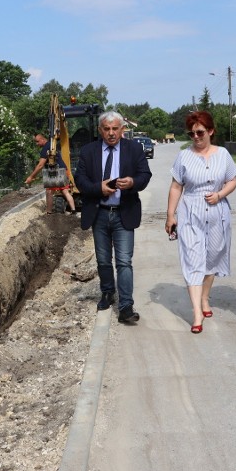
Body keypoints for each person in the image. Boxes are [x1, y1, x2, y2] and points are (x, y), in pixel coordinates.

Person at [74, 111, 152, 323]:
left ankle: (126, 305)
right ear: (100, 130)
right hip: (98, 213)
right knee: (102, 259)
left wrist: (133, 183)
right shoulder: (89, 151)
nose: (111, 133)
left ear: (122, 129)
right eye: (106, 129)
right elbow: (79, 179)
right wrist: (98, 188)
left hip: (124, 212)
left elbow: (145, 175)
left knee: (124, 261)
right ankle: (108, 292)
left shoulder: (134, 149)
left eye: (115, 128)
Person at [165, 111, 236, 334]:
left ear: (211, 132)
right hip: (191, 213)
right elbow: (176, 186)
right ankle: (197, 312)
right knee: (193, 260)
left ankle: (205, 297)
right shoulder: (184, 156)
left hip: (218, 213)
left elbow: (232, 180)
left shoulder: (223, 154)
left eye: (200, 132)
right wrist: (170, 214)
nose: (195, 136)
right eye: (192, 133)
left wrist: (220, 194)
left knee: (213, 256)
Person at [25, 133, 77, 214]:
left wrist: (31, 177)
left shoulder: (45, 148)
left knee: (49, 191)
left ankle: (49, 212)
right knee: (65, 191)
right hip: (64, 170)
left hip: (56, 171)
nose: (37, 144)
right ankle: (73, 210)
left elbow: (40, 165)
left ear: (43, 139)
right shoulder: (52, 145)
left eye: (37, 141)